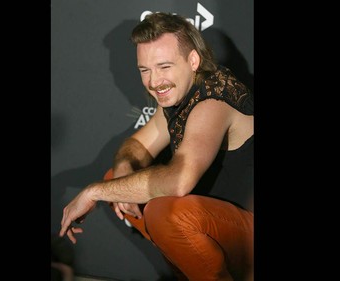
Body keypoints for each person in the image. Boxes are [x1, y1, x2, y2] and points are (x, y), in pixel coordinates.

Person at [59, 12, 253, 280]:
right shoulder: (181, 93)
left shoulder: (213, 101)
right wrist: (123, 171)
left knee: (166, 213)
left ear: (193, 60)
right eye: (145, 70)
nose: (153, 82)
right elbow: (137, 145)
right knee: (118, 180)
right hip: (220, 223)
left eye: (164, 66)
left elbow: (179, 181)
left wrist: (94, 193)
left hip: (248, 232)